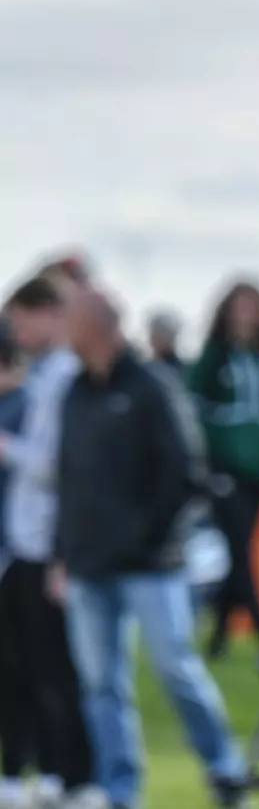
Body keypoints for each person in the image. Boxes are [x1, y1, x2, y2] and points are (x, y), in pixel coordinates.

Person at [54, 288, 248, 809]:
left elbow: (185, 471)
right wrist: (61, 553)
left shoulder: (151, 387)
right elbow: (67, 478)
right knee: (101, 686)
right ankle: (121, 791)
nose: (63, 332)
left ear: (98, 325)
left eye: (70, 321)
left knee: (177, 670)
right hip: (87, 566)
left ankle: (225, 768)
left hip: (151, 566)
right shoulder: (76, 391)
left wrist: (149, 537)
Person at [0, 279, 95, 809]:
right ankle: (36, 771)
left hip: (47, 548)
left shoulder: (63, 377)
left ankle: (68, 774)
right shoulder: (46, 376)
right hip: (25, 546)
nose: (17, 335)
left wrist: (8, 450)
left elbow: (57, 466)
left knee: (56, 671)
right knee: (22, 668)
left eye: (20, 323)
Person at [189, 281, 259, 655]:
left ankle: (218, 635)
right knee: (241, 549)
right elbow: (193, 412)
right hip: (225, 470)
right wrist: (209, 462)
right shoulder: (213, 358)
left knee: (242, 548)